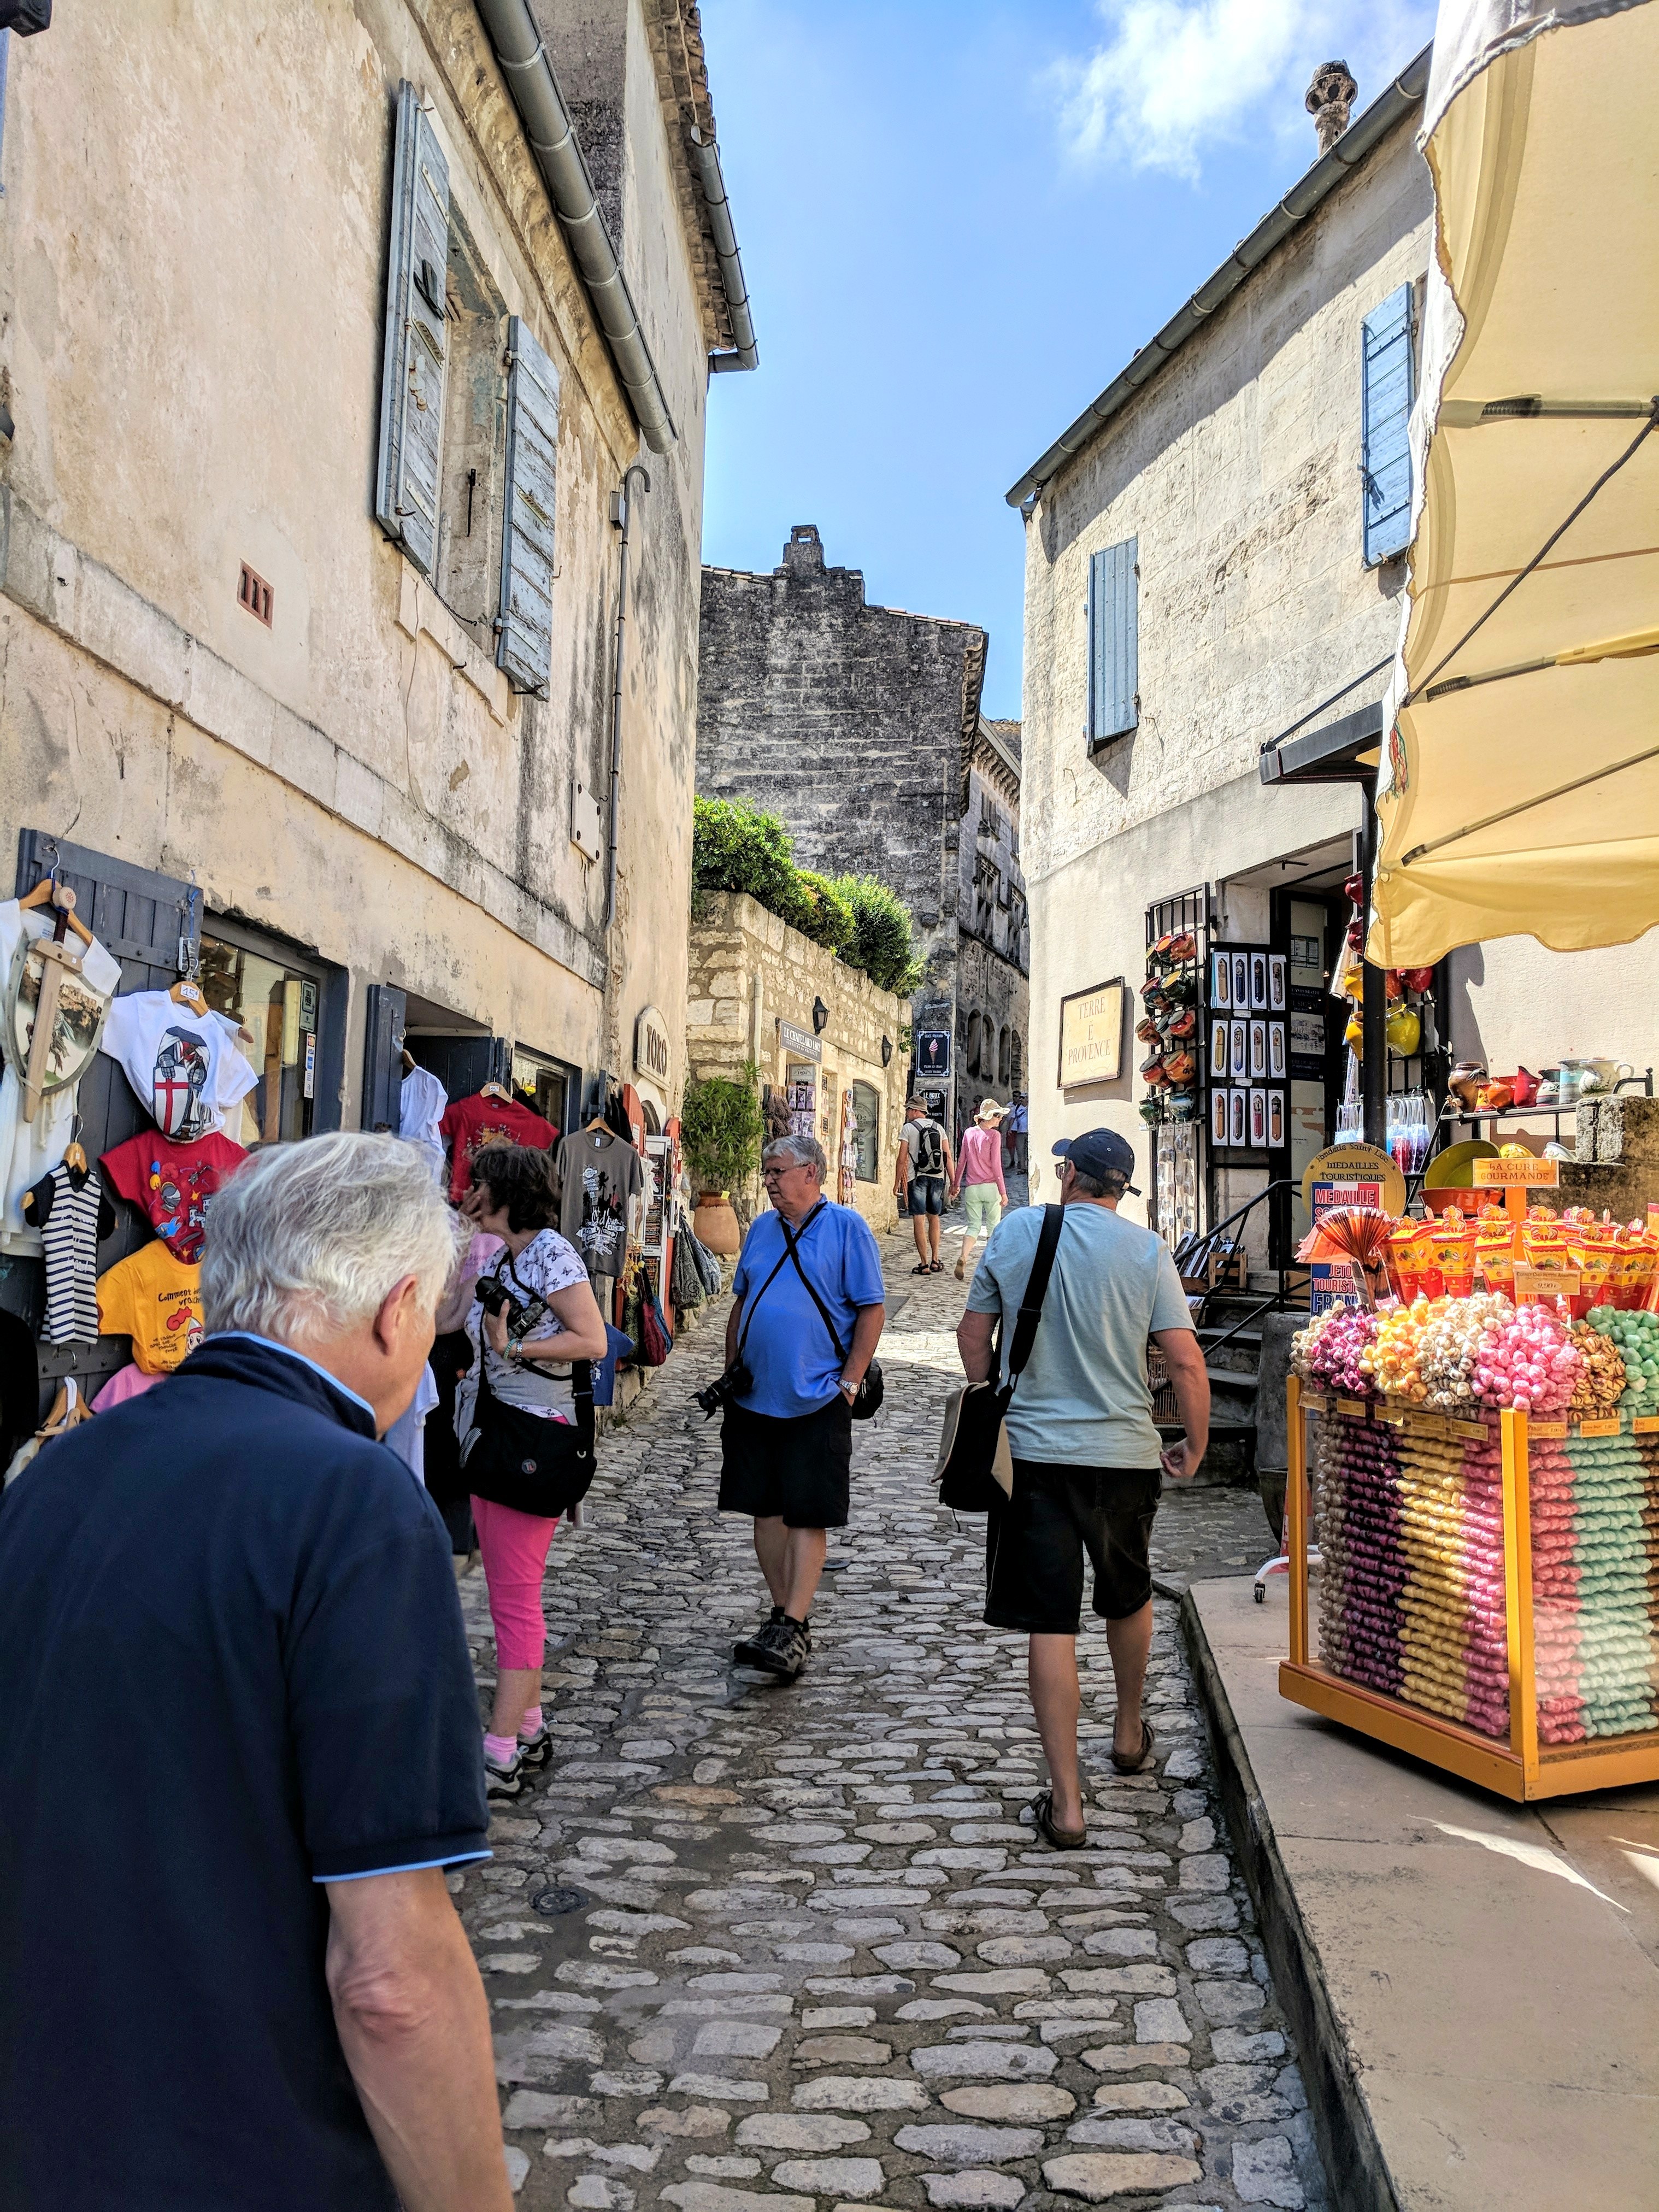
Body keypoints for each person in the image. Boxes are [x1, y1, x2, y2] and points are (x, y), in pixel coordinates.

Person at [0, 1133, 515, 2212]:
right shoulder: (356, 1504)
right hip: (240, 2152)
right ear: (398, 1309)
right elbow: (390, 1976)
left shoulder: (58, 1473)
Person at [956, 1127, 1209, 1849]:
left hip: (1034, 1456)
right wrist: (1195, 1443)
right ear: (1121, 1189)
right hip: (1124, 1458)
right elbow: (1185, 1362)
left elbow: (973, 1335)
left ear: (1069, 1175)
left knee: (1051, 1622)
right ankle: (1128, 1733)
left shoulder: (1019, 1231)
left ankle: (1067, 1806)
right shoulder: (1148, 1251)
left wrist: (992, 1398)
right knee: (1129, 1594)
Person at [453, 1143, 609, 1799]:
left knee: (516, 1602)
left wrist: (513, 1345)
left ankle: (499, 1754)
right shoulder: (505, 1255)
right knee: (505, 1594)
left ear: (506, 1191)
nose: (470, 1189)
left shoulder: (551, 1253)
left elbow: (593, 1340)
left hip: (534, 1441)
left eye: (480, 1182)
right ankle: (530, 1726)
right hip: (497, 1434)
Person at [721, 1133, 885, 1678]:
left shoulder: (847, 1228)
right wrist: (732, 1367)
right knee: (764, 1509)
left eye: (778, 1171)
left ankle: (793, 1621)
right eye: (766, 1171)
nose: (769, 1180)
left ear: (811, 1173)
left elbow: (872, 1309)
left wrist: (850, 1383)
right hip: (754, 1397)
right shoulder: (762, 1229)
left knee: (807, 1511)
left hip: (816, 1396)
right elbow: (743, 1300)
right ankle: (783, 1619)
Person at [893, 1095, 954, 1274]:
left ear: (914, 1110)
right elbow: (948, 1157)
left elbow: (901, 1159)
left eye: (908, 1110)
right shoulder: (939, 1128)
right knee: (934, 1218)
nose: (907, 1113)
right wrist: (954, 1182)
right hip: (937, 1177)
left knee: (919, 1219)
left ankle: (924, 1264)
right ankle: (935, 1260)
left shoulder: (908, 1128)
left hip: (917, 1177)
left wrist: (897, 1183)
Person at [951, 1097, 1009, 1281]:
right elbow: (996, 1165)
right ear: (990, 1116)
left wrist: (955, 1185)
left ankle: (963, 1257)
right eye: (998, 1115)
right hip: (991, 1187)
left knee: (973, 1226)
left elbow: (962, 1162)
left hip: (972, 1188)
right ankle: (990, 1268)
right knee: (993, 1227)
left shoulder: (969, 1133)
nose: (1000, 1119)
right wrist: (1003, 1192)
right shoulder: (994, 1136)